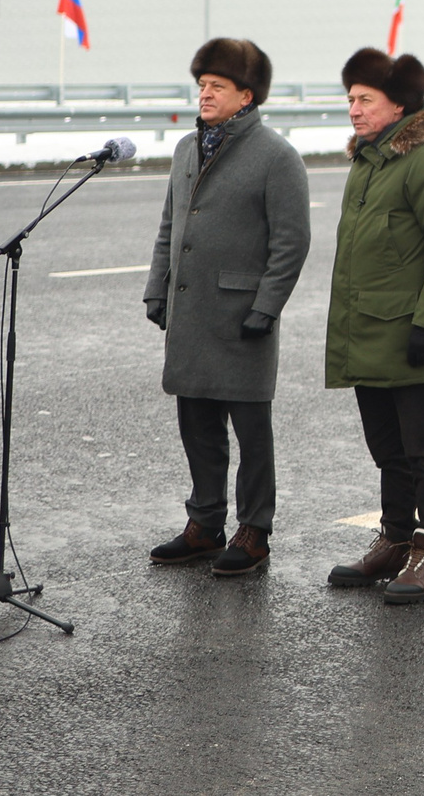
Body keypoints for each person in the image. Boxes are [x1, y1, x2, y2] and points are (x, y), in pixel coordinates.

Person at [144, 39, 312, 578]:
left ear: (246, 95)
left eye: (217, 86)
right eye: (201, 85)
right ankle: (205, 524)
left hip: (243, 319)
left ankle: (254, 531)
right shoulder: (186, 150)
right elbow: (171, 225)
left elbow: (292, 242)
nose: (205, 94)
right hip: (192, 311)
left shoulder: (276, 156)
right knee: (197, 423)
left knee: (251, 432)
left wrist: (266, 308)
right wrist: (157, 287)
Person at [323, 48, 424, 602]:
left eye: (365, 99)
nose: (354, 109)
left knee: (422, 445)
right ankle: (394, 538)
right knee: (386, 446)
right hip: (366, 328)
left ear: (399, 105)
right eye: (350, 98)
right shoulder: (370, 160)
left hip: (408, 331)